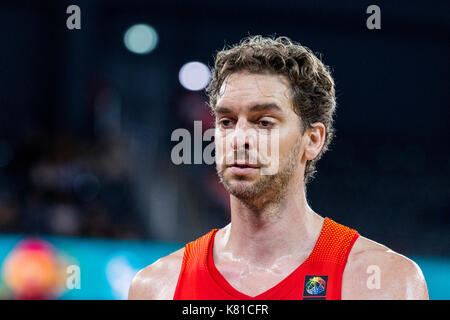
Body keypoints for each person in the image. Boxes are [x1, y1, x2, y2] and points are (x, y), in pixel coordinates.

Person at [128, 36, 428, 300]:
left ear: (312, 140)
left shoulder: (384, 283)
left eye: (264, 122)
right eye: (226, 121)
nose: (240, 138)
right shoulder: (157, 287)